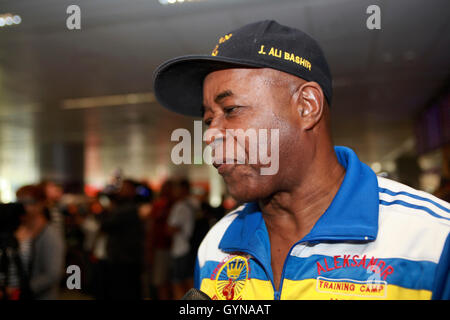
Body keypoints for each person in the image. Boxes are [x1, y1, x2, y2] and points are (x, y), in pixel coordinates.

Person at [153, 20, 450, 300]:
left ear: (307, 106)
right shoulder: (216, 249)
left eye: (230, 110)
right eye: (208, 120)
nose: (209, 136)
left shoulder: (431, 239)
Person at [15, 185, 65, 299]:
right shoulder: (18, 229)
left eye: (28, 202)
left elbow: (53, 274)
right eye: (19, 202)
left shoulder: (51, 234)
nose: (23, 207)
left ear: (41, 204)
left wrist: (22, 290)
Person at [166, 179, 197, 299]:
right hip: (190, 246)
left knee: (178, 282)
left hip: (180, 248)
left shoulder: (180, 207)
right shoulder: (193, 204)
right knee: (189, 280)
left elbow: (169, 229)